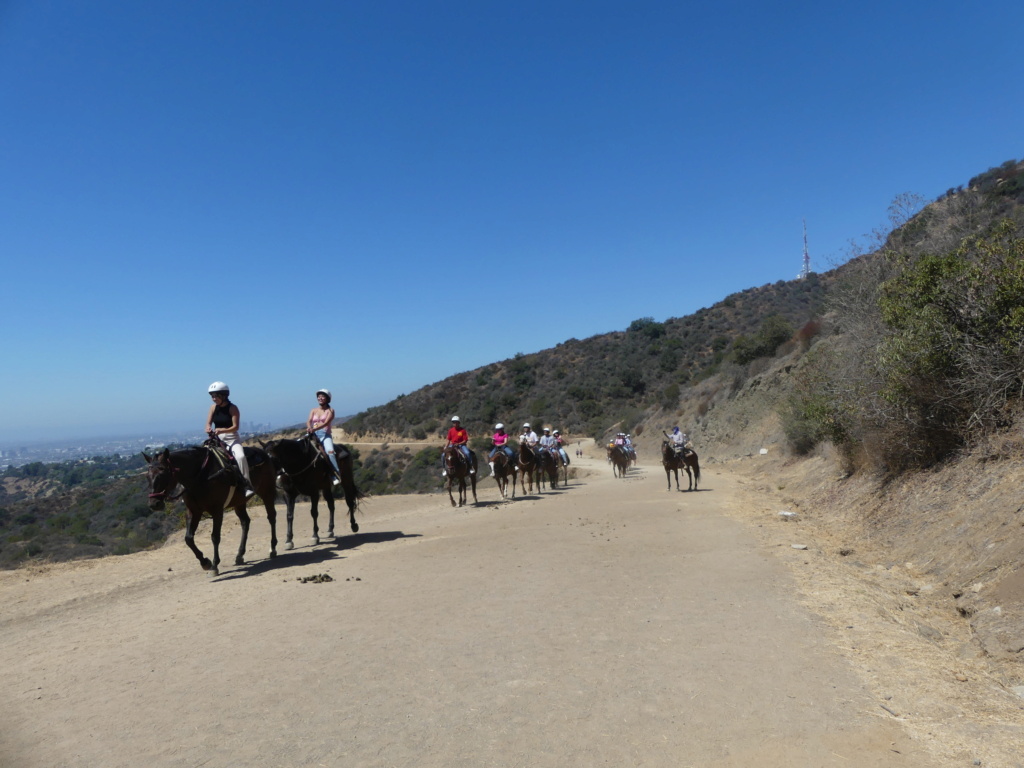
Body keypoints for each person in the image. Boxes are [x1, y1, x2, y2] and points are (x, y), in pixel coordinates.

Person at [204, 381, 254, 498]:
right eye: (212, 396)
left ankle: (247, 485)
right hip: (217, 439)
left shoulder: (233, 408)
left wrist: (222, 430)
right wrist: (208, 428)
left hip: (232, 439)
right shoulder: (212, 408)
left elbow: (235, 427)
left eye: (216, 396)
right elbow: (208, 423)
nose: (213, 399)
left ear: (224, 395)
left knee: (240, 457)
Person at [307, 388, 342, 486]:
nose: (320, 398)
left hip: (325, 435)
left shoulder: (330, 410)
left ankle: (335, 474)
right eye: (319, 396)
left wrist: (315, 428)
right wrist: (309, 427)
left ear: (327, 399)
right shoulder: (313, 410)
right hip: (313, 434)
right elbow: (309, 420)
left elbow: (326, 423)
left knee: (330, 452)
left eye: (322, 396)